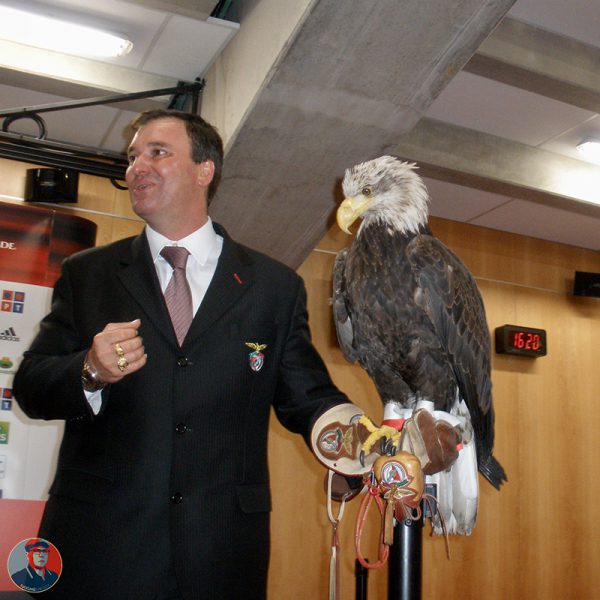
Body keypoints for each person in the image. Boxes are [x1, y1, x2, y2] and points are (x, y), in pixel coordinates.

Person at [13, 109, 350, 600]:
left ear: (204, 170)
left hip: (221, 550)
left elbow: (309, 398)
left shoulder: (273, 287)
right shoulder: (89, 274)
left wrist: (364, 448)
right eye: (132, 157)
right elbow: (31, 387)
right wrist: (89, 369)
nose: (136, 168)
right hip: (101, 545)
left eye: (157, 152)